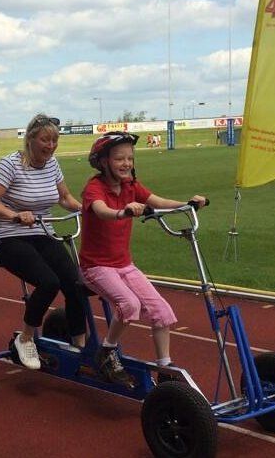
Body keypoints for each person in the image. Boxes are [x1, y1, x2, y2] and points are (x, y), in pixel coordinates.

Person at [79, 131, 206, 385]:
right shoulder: (95, 188)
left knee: (161, 311)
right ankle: (107, 351)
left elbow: (157, 201)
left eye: (130, 158)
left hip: (124, 265)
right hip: (95, 267)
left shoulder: (130, 186)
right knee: (129, 305)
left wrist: (188, 203)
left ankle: (165, 367)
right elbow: (101, 210)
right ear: (103, 162)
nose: (126, 163)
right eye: (119, 159)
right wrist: (122, 212)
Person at [0, 114, 87, 370]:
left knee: (75, 283)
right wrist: (15, 215)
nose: (50, 146)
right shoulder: (10, 164)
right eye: (45, 140)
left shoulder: (52, 164)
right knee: (48, 282)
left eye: (54, 141)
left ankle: (80, 346)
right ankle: (26, 338)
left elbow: (64, 198)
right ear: (30, 139)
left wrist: (86, 209)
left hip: (42, 233)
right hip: (9, 237)